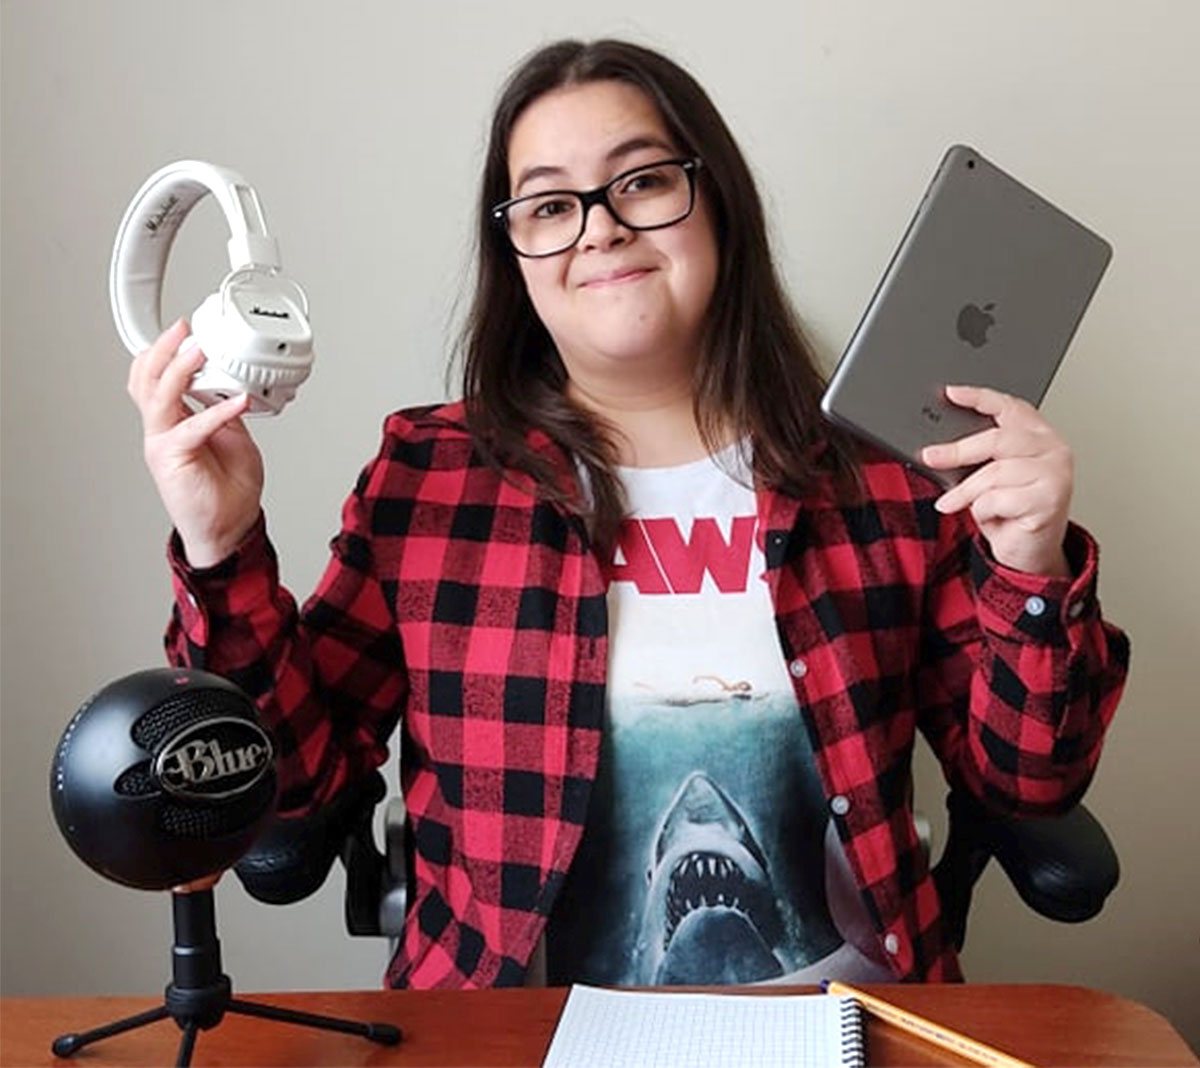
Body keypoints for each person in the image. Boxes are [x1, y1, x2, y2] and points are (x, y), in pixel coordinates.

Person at [128, 38, 1129, 989]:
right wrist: (223, 547)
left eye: (642, 180)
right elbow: (292, 787)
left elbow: (1027, 788)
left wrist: (1030, 569)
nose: (600, 224)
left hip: (850, 1022)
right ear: (515, 256)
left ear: (717, 205)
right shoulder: (429, 477)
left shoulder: (889, 474)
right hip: (508, 1028)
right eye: (548, 205)